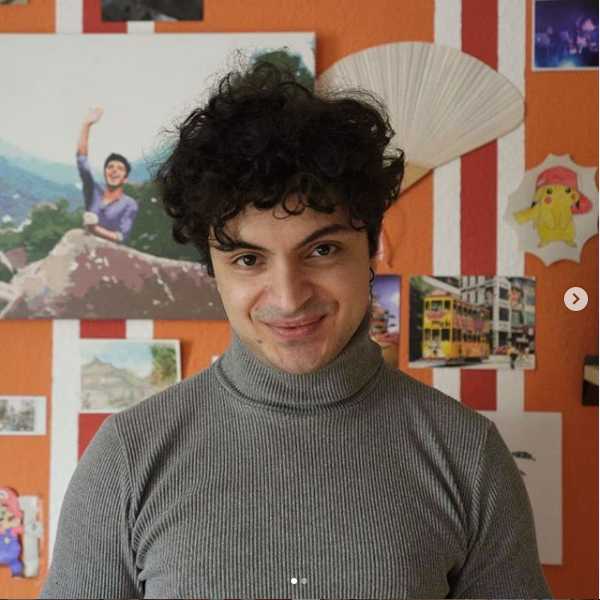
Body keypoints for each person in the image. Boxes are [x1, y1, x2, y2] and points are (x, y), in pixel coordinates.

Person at [42, 63, 551, 599]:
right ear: (213, 270)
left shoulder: (468, 455)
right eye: (248, 259)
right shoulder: (128, 458)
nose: (288, 298)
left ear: (372, 248)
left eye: (322, 250)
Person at [76, 107, 138, 243]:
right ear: (105, 173)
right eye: (110, 167)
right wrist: (86, 125)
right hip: (85, 247)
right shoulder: (93, 192)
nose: (114, 170)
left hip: (108, 253)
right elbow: (82, 162)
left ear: (125, 178)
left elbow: (121, 237)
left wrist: (94, 228)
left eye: (120, 168)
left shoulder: (129, 204)